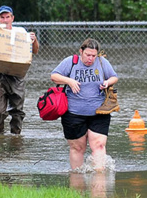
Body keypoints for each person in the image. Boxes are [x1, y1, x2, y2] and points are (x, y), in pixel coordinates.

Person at [50, 38, 119, 172]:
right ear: (81, 52)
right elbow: (54, 76)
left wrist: (107, 82)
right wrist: (69, 81)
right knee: (78, 148)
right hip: (73, 113)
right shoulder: (71, 61)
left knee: (99, 145)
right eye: (88, 55)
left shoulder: (101, 62)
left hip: (99, 112)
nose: (90, 59)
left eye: (93, 55)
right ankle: (77, 181)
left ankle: (99, 179)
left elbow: (114, 76)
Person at [0, 5, 40, 134]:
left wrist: (34, 40)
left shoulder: (21, 32)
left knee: (17, 111)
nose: (5, 20)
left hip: (17, 76)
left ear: (12, 18)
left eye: (7, 17)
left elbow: (35, 51)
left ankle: (15, 137)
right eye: (2, 17)